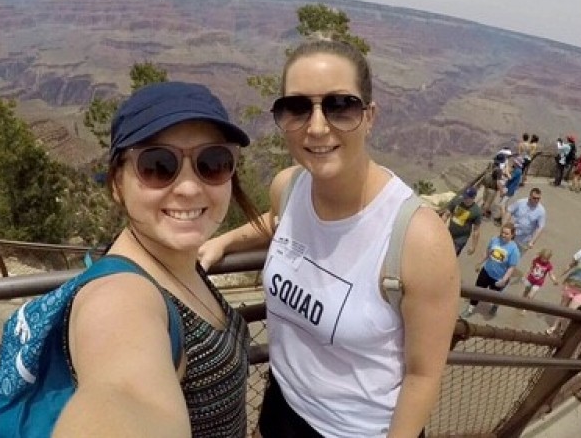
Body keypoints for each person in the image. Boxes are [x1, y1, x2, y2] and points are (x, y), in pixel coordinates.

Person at [199, 39, 459, 438]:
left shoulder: (417, 238)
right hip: (283, 404)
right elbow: (277, 222)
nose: (317, 127)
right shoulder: (289, 187)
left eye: (340, 106)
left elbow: (423, 374)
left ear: (370, 116)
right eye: (297, 108)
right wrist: (225, 242)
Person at [54, 82, 267, 437]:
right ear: (116, 183)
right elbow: (123, 393)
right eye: (157, 165)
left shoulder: (178, 260)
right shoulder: (119, 299)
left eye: (212, 163)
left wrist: (225, 242)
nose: (189, 188)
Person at [461, 222, 520, 319]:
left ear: (512, 235)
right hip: (486, 271)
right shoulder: (494, 240)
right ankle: (470, 309)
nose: (503, 235)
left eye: (506, 234)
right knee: (477, 291)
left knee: (495, 296)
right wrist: (480, 263)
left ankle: (495, 305)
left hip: (499, 278)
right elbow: (488, 252)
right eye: (502, 232)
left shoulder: (514, 250)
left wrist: (503, 280)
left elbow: (511, 267)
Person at [503, 187, 547, 255]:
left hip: (524, 240)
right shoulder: (520, 202)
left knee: (515, 257)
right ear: (530, 196)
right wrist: (504, 226)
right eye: (534, 198)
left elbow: (540, 227)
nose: (536, 200)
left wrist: (532, 242)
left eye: (538, 198)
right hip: (512, 234)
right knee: (504, 252)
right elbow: (509, 211)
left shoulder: (541, 211)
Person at [443, 186, 483, 256]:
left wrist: (473, 246)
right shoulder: (457, 201)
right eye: (464, 196)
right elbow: (446, 214)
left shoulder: (477, 211)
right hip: (448, 233)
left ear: (473, 198)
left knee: (450, 255)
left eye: (467, 198)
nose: (465, 199)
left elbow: (476, 230)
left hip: (460, 238)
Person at [519, 248, 557, 314]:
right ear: (541, 256)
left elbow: (551, 274)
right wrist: (525, 276)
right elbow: (530, 268)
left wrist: (554, 280)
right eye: (543, 258)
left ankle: (525, 308)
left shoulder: (549, 265)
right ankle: (521, 302)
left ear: (549, 258)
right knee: (526, 291)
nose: (544, 260)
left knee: (530, 295)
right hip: (530, 279)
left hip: (538, 283)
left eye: (546, 259)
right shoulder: (536, 260)